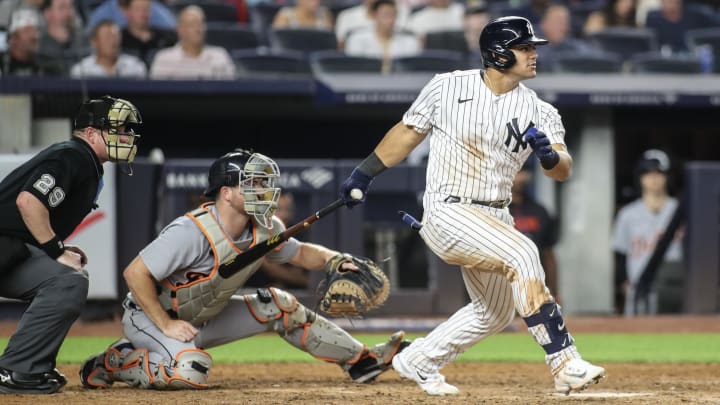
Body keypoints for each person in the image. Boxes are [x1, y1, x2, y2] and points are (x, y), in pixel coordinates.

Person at [338, 16, 605, 396]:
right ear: (498, 54)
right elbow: (408, 132)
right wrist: (364, 174)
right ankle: (564, 362)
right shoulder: (448, 86)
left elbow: (563, 169)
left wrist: (548, 157)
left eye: (533, 48)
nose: (533, 54)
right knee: (524, 252)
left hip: (494, 214)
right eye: (525, 48)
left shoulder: (541, 111)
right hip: (448, 209)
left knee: (493, 312)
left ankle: (420, 359)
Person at [79, 149, 408, 390]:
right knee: (189, 371)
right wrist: (166, 324)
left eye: (264, 183)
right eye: (252, 183)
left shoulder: (265, 227)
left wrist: (335, 259)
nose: (263, 190)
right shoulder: (191, 231)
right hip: (152, 318)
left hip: (204, 318)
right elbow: (134, 273)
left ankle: (361, 361)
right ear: (226, 193)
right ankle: (117, 361)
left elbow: (300, 253)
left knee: (279, 305)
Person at [0, 95, 142, 394]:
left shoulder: (85, 161)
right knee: (67, 279)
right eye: (118, 129)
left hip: (11, 249)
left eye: (129, 130)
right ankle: (17, 369)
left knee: (66, 280)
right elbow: (28, 202)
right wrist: (55, 250)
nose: (127, 136)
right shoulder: (73, 155)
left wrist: (57, 247)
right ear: (91, 133)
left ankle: (22, 369)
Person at [611, 149, 684, 316]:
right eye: (648, 173)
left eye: (659, 173)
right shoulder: (628, 214)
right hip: (640, 287)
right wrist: (624, 284)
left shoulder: (681, 211)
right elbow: (620, 254)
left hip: (676, 287)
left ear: (667, 177)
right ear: (640, 177)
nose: (653, 178)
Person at [509, 164, 559, 299]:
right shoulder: (495, 211)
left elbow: (549, 255)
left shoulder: (539, 211)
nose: (521, 177)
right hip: (503, 287)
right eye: (517, 172)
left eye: (523, 172)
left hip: (534, 285)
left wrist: (554, 292)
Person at [149, 5, 235, 80]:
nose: (198, 29)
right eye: (192, 24)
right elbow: (158, 95)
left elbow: (231, 91)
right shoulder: (164, 59)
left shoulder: (220, 56)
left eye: (201, 23)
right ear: (180, 30)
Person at [247, 191, 310, 289]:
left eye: (288, 210)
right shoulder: (254, 231)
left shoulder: (298, 233)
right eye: (279, 209)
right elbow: (269, 268)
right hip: (252, 292)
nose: (285, 215)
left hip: (291, 295)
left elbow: (301, 276)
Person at [344, 0, 421, 74]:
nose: (391, 20)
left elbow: (412, 69)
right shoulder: (356, 38)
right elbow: (354, 68)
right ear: (374, 15)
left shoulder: (409, 40)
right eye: (386, 15)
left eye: (393, 15)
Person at [70, 19, 147, 78]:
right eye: (107, 37)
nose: (112, 42)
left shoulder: (135, 66)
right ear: (95, 42)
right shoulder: (81, 70)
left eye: (115, 37)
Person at [119, 0, 175, 65]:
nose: (143, 13)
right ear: (126, 12)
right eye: (138, 9)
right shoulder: (119, 38)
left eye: (147, 8)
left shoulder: (168, 38)